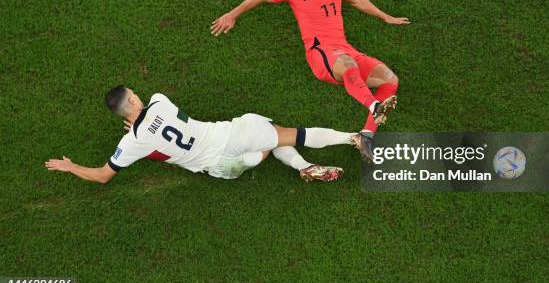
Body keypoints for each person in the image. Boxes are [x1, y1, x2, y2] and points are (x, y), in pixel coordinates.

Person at [211, 0, 410, 137]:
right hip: (320, 53)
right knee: (349, 66)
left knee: (390, 79)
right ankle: (374, 105)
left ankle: (365, 136)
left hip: (343, 48)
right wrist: (232, 14)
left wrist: (385, 16)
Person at [45, 86, 372, 183]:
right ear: (133, 100)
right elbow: (158, 117)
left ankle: (302, 167)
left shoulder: (132, 143)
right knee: (283, 133)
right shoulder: (159, 101)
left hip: (219, 169)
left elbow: (104, 175)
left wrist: (71, 166)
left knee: (264, 150)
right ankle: (353, 139)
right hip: (231, 136)